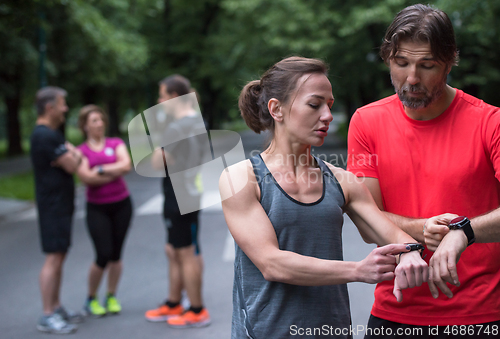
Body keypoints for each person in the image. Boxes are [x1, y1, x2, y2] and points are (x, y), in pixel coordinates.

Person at [220, 56, 428, 339]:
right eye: (314, 104)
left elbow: (391, 233)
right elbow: (272, 263)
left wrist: (411, 252)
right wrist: (358, 270)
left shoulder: (342, 180)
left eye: (329, 106)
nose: (328, 116)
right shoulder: (241, 179)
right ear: (276, 109)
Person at [347, 4, 500, 338]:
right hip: (395, 310)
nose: (412, 78)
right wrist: (422, 229)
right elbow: (366, 221)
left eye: (426, 65)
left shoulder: (490, 122)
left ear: (449, 63)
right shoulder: (366, 122)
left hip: (481, 314)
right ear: (388, 58)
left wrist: (465, 232)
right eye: (401, 63)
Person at [144, 75, 211, 328]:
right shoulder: (196, 121)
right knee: (177, 250)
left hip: (179, 195)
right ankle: (174, 303)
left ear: (174, 96)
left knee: (187, 252)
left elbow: (156, 161)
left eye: (162, 95)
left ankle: (197, 309)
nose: (159, 101)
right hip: (188, 191)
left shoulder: (176, 127)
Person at [30, 86, 84, 334]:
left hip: (60, 204)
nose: (65, 108)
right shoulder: (45, 136)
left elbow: (73, 157)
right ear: (50, 107)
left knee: (59, 255)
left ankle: (56, 306)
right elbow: (74, 164)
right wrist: (72, 154)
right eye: (62, 104)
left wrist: (71, 154)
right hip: (52, 206)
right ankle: (47, 314)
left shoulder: (52, 134)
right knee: (53, 257)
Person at [75, 105, 133, 316]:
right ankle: (91, 298)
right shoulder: (80, 151)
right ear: (84, 126)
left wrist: (99, 169)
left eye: (101, 119)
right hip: (97, 208)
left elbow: (126, 165)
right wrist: (113, 171)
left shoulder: (115, 143)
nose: (99, 124)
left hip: (122, 204)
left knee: (116, 254)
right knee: (103, 253)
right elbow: (86, 178)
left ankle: (111, 296)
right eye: (94, 121)